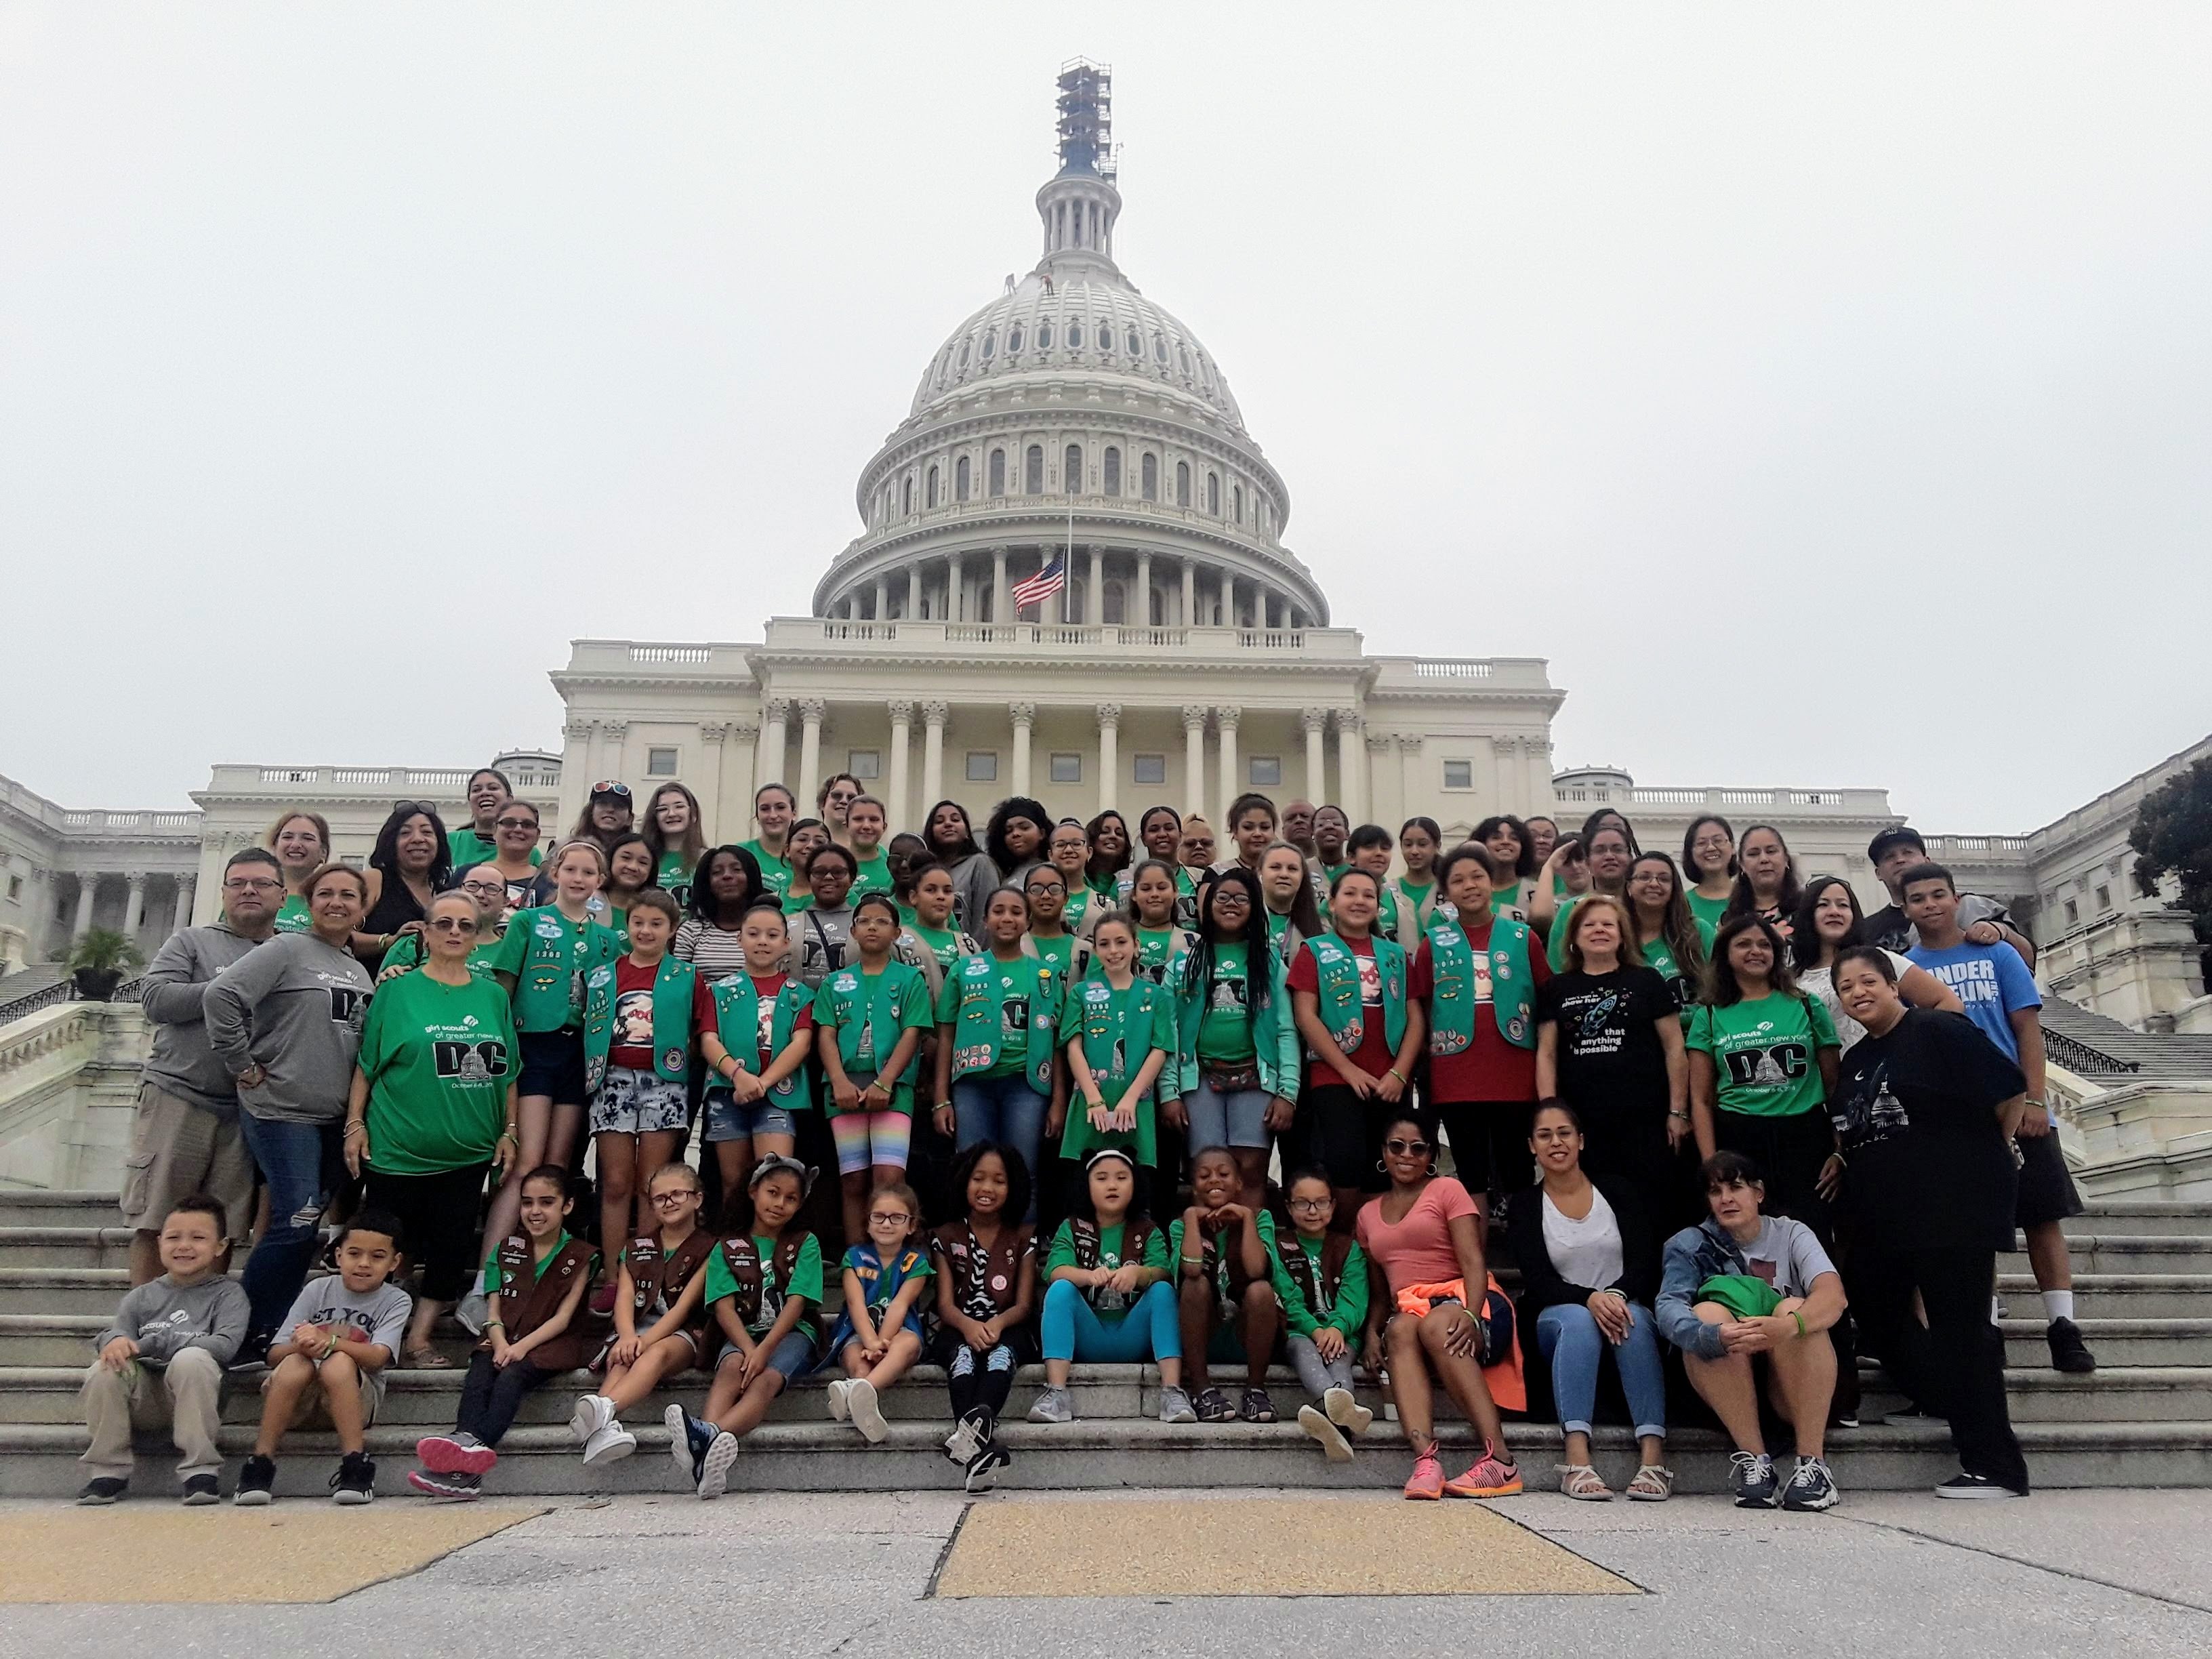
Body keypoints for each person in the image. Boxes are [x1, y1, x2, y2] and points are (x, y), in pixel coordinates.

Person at [1830, 947, 2034, 1496]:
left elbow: (2009, 1090)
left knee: (1962, 1331)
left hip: (1954, 1209)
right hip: (1888, 1217)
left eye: (1868, 980)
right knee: (1871, 1306)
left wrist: (1987, 1150)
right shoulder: (1855, 1061)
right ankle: (1943, 1397)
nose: (1858, 993)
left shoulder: (1938, 1030)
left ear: (1894, 984)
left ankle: (1995, 1466)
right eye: (1847, 987)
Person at [1902, 863, 2094, 1372]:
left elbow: (2028, 1031)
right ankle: (1985, 1330)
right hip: (1955, 1117)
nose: (1930, 905)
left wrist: (2035, 1098)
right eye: (1918, 898)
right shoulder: (1905, 969)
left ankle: (2063, 1325)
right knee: (1973, 1230)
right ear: (1905, 908)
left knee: (2041, 1218)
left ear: (1956, 898)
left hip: (2017, 1103)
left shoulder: (1998, 953)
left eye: (1938, 895)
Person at [203, 861, 374, 1359]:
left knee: (306, 1224)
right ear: (308, 901)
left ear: (363, 909)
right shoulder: (286, 948)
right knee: (295, 1221)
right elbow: (222, 996)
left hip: (332, 1117)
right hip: (282, 1108)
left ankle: (272, 1327)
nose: (337, 902)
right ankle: (244, 1332)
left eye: (349, 895)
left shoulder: (357, 969)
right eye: (326, 893)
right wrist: (242, 1064)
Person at [347, 890, 519, 1366]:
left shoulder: (492, 997)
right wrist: (354, 1124)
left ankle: (420, 1338)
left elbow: (509, 1073)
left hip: (467, 1153)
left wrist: (509, 1131)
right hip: (398, 1148)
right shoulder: (395, 991)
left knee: (448, 1251)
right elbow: (367, 1065)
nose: (455, 933)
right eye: (444, 924)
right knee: (387, 1248)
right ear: (425, 933)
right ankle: (379, 1332)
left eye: (465, 925)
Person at [1656, 1153, 1847, 1511]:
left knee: (1793, 1308)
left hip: (1793, 1376)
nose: (1726, 1198)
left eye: (1736, 1187)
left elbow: (1834, 1297)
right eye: (1716, 1191)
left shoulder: (1791, 1232)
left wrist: (1787, 1327)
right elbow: (1668, 1309)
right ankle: (1756, 1464)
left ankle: (1814, 1466)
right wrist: (1713, 1336)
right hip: (1726, 1378)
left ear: (1759, 1193)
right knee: (1707, 1314)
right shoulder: (1690, 1244)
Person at [125, 847, 281, 1286]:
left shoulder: (291, 952)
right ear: (225, 892)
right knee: (159, 1218)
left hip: (247, 1107)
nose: (249, 890)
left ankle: (203, 1327)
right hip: (179, 1093)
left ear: (283, 896)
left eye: (262, 883)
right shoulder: (191, 941)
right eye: (239, 883)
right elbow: (156, 1000)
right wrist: (226, 990)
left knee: (224, 1227)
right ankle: (143, 1324)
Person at [1356, 1108, 1524, 1500]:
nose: (1407, 1155)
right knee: (1399, 1326)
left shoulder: (1447, 1190)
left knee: (1436, 1324)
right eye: (1397, 1146)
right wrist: (1369, 1333)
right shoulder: (1366, 1215)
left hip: (1473, 1303)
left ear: (1431, 1156)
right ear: (1384, 1151)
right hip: (1411, 1312)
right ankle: (1426, 1462)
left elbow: (1474, 1263)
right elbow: (1382, 1292)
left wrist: (1469, 1312)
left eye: (1418, 1148)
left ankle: (1501, 1460)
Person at [1508, 1103, 1671, 1501]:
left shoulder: (1616, 1190)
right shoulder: (1525, 1205)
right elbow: (1539, 1281)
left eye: (1564, 1133)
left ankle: (1654, 1459)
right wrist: (1589, 1299)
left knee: (1630, 1316)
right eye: (1544, 1135)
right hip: (1556, 1320)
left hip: (1621, 1308)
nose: (1556, 1142)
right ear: (1532, 1146)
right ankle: (1577, 1459)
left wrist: (1612, 1295)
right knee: (1580, 1321)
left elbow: (1645, 1263)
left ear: (1580, 1141)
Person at [408, 1166, 595, 1500]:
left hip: (550, 1343)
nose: (535, 1211)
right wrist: (499, 1342)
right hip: (500, 1339)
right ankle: (464, 1451)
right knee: (479, 1373)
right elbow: (493, 1312)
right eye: (527, 1203)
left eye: (546, 1202)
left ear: (567, 1207)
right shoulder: (504, 1249)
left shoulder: (581, 1255)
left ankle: (467, 1455)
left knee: (510, 1377)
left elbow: (564, 1318)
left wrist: (519, 1348)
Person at [667, 1155, 824, 1500]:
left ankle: (707, 1436)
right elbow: (723, 1305)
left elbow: (798, 1301)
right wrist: (749, 1348)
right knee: (730, 1369)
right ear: (753, 1191)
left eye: (791, 1198)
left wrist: (765, 1351)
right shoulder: (727, 1245)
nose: (780, 1203)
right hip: (743, 1333)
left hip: (793, 1335)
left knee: (765, 1380)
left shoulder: (805, 1242)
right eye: (773, 1192)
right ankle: (707, 1464)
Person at [75, 1195, 250, 1505]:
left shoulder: (228, 1294)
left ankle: (200, 1471)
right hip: (145, 1400)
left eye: (198, 1238)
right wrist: (113, 1342)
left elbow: (224, 1346)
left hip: (197, 1394)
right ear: (159, 1243)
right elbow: (118, 1336)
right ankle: (107, 1472)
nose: (184, 1246)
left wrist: (152, 1344)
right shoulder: (141, 1297)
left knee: (192, 1358)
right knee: (107, 1367)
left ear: (220, 1247)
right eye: (173, 1238)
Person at [233, 1211, 411, 1505]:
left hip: (355, 1400)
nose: (364, 1264)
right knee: (295, 1362)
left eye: (377, 1257)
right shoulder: (317, 1289)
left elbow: (379, 1356)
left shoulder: (396, 1300)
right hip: (298, 1400)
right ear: (338, 1256)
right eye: (354, 1254)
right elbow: (275, 1353)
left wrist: (328, 1341)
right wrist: (303, 1346)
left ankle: (356, 1464)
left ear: (394, 1263)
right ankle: (260, 1463)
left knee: (338, 1361)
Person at [1536, 893, 1689, 1231]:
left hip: (1645, 1120)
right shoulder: (1556, 988)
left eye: (1609, 924)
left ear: (1623, 935)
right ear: (1574, 937)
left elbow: (1675, 1048)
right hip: (1585, 1121)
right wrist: (1549, 1113)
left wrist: (1678, 1111)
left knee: (1653, 1207)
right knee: (1601, 1209)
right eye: (1589, 925)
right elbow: (1546, 1053)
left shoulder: (1647, 981)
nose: (1599, 930)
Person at [1417, 844, 1549, 1218]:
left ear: (1492, 883)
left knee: (1518, 1168)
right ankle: (1476, 1265)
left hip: (1514, 1070)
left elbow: (1544, 1002)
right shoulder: (1433, 943)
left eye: (1477, 876)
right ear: (1446, 891)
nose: (1469, 886)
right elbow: (1424, 1008)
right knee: (1470, 1174)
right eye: (1457, 880)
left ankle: (1528, 1255)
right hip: (1456, 1074)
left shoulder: (1524, 938)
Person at [1289, 867, 1425, 1226]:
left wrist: (1400, 1073)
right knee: (1344, 1163)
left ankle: (1379, 1245)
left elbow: (1415, 1018)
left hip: (1391, 1081)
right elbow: (1306, 1016)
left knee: (1388, 1165)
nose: (1359, 901)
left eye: (1369, 894)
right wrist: (1347, 1069)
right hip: (1335, 1078)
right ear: (1331, 903)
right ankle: (1346, 1246)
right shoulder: (1313, 951)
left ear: (1379, 906)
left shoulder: (1396, 955)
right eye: (1350, 893)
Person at [487, 839, 622, 1195]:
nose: (579, 878)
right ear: (555, 873)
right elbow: (503, 989)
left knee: (557, 1165)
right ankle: (499, 1248)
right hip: (533, 1047)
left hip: (579, 1053)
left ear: (601, 880)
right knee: (526, 1162)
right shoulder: (527, 922)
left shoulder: (608, 940)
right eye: (571, 869)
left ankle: (545, 1248)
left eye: (588, 872)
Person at [1687, 914, 1841, 1226]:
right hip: (1740, 1137)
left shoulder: (1807, 1005)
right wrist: (1711, 1164)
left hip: (1805, 1138)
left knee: (1813, 1233)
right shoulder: (1708, 1013)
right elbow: (1701, 1100)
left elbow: (1834, 1087)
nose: (1755, 951)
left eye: (1764, 945)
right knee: (1748, 1237)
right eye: (1743, 944)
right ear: (1725, 955)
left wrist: (1839, 1150)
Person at [1164, 865, 1298, 1210]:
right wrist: (1169, 1093)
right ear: (1208, 906)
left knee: (1250, 1169)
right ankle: (1210, 1256)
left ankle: (1244, 1256)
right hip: (1200, 1078)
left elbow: (1286, 1029)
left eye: (1241, 899)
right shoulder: (1183, 964)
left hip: (1256, 1076)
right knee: (1209, 1170)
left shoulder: (1269, 964)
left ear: (1255, 906)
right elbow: (1169, 1033)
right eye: (1222, 898)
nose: (1231, 905)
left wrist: (1288, 1093)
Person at [581, 890, 697, 1286]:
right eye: (638, 923)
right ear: (626, 926)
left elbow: (700, 1032)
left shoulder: (686, 976)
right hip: (611, 1079)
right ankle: (614, 1277)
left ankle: (647, 1277)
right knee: (615, 1182)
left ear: (672, 930)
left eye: (656, 924)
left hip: (664, 1082)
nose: (645, 931)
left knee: (653, 1183)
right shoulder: (602, 974)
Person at [1028, 1147, 1190, 1425]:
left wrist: (1139, 1274)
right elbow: (1055, 1270)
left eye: (1121, 1178)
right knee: (1060, 1291)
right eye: (1101, 1178)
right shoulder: (1072, 1227)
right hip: (1088, 1335)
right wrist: (1088, 1276)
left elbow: (1164, 1271)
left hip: (1132, 1334)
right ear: (1086, 1185)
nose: (1112, 1185)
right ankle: (1056, 1393)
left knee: (1163, 1291)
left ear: (1135, 1184)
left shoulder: (1147, 1229)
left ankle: (1172, 1392)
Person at [569, 1161, 716, 1465]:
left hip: (683, 1333)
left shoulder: (711, 1247)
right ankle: (603, 1432)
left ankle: (603, 1410)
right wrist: (625, 1337)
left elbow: (685, 1307)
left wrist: (643, 1341)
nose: (669, 1202)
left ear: (697, 1199)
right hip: (635, 1329)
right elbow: (624, 1297)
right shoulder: (636, 1246)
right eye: (660, 1198)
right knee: (622, 1358)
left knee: (654, 1353)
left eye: (678, 1194)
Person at [813, 892, 935, 1241]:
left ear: (897, 933)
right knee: (852, 1179)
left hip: (893, 1090)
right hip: (843, 1089)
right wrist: (838, 1080)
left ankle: (892, 1259)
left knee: (889, 1179)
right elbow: (826, 1035)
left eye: (882, 921)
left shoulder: (910, 980)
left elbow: (912, 1033)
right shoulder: (835, 982)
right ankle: (857, 1258)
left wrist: (885, 1082)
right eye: (865, 921)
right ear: (852, 930)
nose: (872, 927)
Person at [935, 887, 1062, 1198]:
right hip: (973, 1084)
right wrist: (941, 1098)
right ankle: (970, 1243)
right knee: (970, 1167)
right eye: (999, 911)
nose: (1007, 918)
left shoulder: (1047, 974)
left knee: (1023, 1169)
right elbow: (946, 1036)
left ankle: (1024, 1244)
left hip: (1027, 1085)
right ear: (985, 919)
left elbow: (1058, 1041)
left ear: (1028, 920)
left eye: (1017, 912)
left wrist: (1058, 1101)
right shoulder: (963, 970)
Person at [929, 1142, 1038, 1492]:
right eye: (979, 1179)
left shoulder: (1024, 1237)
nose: (987, 1188)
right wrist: (968, 1326)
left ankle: (972, 1448)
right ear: (964, 1182)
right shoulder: (946, 1236)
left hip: (1008, 1326)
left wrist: (997, 1324)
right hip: (957, 1326)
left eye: (999, 1181)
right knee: (962, 1359)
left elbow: (1024, 1304)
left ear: (1014, 1187)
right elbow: (944, 1305)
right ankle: (982, 1452)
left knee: (1001, 1356)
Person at [698, 901, 815, 1218]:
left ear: (786, 943)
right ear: (740, 939)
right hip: (727, 1092)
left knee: (776, 1178)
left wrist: (762, 1083)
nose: (762, 941)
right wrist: (738, 1075)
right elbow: (708, 1039)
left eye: (772, 934)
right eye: (753, 933)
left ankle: (774, 1255)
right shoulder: (719, 991)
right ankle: (736, 1251)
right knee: (734, 1181)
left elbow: (801, 1044)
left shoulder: (800, 994)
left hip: (779, 1095)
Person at [1170, 1145, 1284, 1424]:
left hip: (1248, 1335)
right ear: (1193, 1185)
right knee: (1194, 1285)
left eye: (1224, 1174)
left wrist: (1246, 1219)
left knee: (1260, 1291)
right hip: (1204, 1335)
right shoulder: (1179, 1225)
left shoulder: (1260, 1218)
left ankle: (1255, 1390)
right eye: (1204, 1175)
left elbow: (1257, 1270)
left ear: (1239, 1183)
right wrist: (1190, 1220)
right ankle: (1201, 1389)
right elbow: (1192, 1267)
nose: (1214, 1181)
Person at [1059, 913, 1174, 1187]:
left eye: (1121, 942)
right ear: (1095, 949)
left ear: (1136, 946)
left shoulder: (1154, 995)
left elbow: (1160, 1049)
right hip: (1089, 1103)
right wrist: (1093, 1098)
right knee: (1082, 1186)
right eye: (1104, 944)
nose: (1113, 951)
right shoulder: (1080, 993)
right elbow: (1073, 1046)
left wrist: (1131, 1097)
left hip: (1136, 1105)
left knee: (1136, 1184)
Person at [1270, 1170, 1373, 1461]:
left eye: (1321, 1202)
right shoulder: (1280, 1246)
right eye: (1303, 1203)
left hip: (1344, 1334)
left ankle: (1333, 1425)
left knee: (1339, 1360)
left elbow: (1355, 1298)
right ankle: (1346, 1420)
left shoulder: (1347, 1247)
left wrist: (1338, 1328)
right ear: (1289, 1207)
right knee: (1305, 1350)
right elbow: (1287, 1296)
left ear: (1333, 1205)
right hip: (1299, 1332)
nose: (1313, 1211)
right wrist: (1316, 1330)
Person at [1791, 874, 1961, 1050]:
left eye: (1843, 905)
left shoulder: (1879, 959)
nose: (1834, 911)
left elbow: (1947, 1001)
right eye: (1823, 905)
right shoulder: (1793, 978)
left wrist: (1918, 1049)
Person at [822, 1181, 934, 1443]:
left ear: (912, 1225)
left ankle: (856, 1392)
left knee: (907, 1344)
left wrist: (881, 1342)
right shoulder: (854, 1257)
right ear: (868, 1222)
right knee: (857, 1361)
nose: (887, 1224)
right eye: (879, 1216)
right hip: (857, 1331)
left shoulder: (917, 1262)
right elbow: (855, 1303)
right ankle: (862, 1397)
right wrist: (870, 1342)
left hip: (900, 1330)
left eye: (897, 1218)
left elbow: (900, 1304)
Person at [1861, 825, 2036, 968]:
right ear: (1878, 873)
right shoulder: (1866, 931)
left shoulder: (1973, 907)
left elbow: (2027, 960)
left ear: (1927, 860)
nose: (1900, 860)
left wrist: (2001, 931)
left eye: (1908, 853)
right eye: (1889, 857)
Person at [357, 802, 452, 974]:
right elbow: (339, 936)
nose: (417, 839)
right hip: (373, 989)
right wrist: (390, 942)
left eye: (427, 832)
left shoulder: (447, 894)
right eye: (405, 833)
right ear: (392, 842)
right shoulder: (375, 880)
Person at [1532, 821, 1634, 972]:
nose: (1609, 856)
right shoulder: (1569, 908)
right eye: (1600, 851)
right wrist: (1549, 866)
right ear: (1590, 862)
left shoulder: (1641, 903)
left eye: (1617, 849)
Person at [1625, 851, 1711, 1014]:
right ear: (1629, 887)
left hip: (1697, 1034)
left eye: (1664, 879)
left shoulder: (1699, 930)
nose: (1654, 884)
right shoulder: (1617, 936)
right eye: (1644, 877)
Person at [674, 843, 768, 985]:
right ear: (707, 883)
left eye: (736, 869)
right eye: (717, 872)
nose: (727, 876)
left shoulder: (767, 929)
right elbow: (680, 985)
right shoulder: (691, 931)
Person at [962, 796, 1050, 929]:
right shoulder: (1001, 876)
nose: (1016, 834)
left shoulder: (1053, 872)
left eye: (1024, 828)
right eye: (1009, 831)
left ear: (1042, 833)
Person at [894, 859, 977, 994]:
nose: (941, 896)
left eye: (948, 891)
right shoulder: (898, 942)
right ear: (913, 897)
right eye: (931, 890)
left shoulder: (969, 945)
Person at [1719, 823, 1805, 938]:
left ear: (1786, 859)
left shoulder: (1807, 909)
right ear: (1742, 865)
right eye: (1753, 854)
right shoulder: (1730, 919)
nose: (1764, 859)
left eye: (1771, 851)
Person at [792, 842, 859, 985]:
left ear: (852, 879)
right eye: (819, 872)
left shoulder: (863, 924)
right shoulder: (789, 924)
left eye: (838, 872)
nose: (829, 877)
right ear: (809, 878)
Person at [922, 799, 993, 931]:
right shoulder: (926, 870)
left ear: (967, 832)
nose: (948, 824)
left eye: (955, 820)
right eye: (939, 821)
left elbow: (984, 918)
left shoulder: (980, 864)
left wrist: (977, 951)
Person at [1125, 859, 1197, 984]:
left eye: (1162, 887)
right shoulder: (1120, 937)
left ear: (1175, 891)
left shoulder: (1193, 942)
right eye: (1146, 889)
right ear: (1134, 894)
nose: (1154, 894)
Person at [642, 782, 708, 909]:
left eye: (679, 807)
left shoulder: (707, 859)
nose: (671, 814)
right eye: (663, 809)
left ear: (693, 814)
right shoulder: (644, 859)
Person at [264, 810, 331, 934]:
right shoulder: (254, 894)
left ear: (323, 852)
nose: (295, 844)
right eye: (287, 837)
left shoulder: (331, 901)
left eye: (307, 838)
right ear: (274, 847)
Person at [449, 769, 529, 871]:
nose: (485, 793)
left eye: (493, 788)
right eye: (476, 790)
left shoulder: (528, 851)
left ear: (510, 800)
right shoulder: (449, 843)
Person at [1258, 839, 1324, 962]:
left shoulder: (1320, 926)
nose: (1284, 874)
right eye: (1275, 867)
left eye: (1292, 869)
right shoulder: (1245, 921)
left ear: (1302, 876)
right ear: (1260, 872)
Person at [483, 800, 549, 916]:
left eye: (527, 825)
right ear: (494, 830)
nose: (518, 829)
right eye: (509, 823)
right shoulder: (465, 875)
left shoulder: (550, 885)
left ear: (538, 835)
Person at [738, 783, 798, 904]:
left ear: (794, 814)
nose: (773, 815)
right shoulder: (740, 854)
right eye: (765, 809)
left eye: (780, 807)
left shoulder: (805, 855)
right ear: (757, 816)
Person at [1389, 817, 1443, 948]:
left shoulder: (1448, 892)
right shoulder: (1388, 891)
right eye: (1408, 845)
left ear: (1437, 846)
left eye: (1422, 844)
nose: (1414, 851)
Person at [1472, 815, 1539, 918]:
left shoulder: (1538, 891)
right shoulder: (1469, 890)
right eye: (1496, 838)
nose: (1505, 842)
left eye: (1514, 838)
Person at [1681, 815, 1736, 936]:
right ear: (1691, 853)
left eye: (1718, 841)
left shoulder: (1753, 897)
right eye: (1701, 843)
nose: (1711, 848)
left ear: (1733, 847)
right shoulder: (1681, 904)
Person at [1021, 860, 1077, 979]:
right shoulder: (1014, 946)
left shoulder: (1083, 950)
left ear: (1066, 899)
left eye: (1055, 889)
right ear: (1025, 897)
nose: (1046, 895)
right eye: (1036, 889)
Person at [1345, 823, 1402, 938]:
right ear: (1351, 857)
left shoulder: (1404, 903)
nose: (1379, 853)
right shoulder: (1334, 899)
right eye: (1369, 847)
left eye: (1385, 849)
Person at [1043, 820, 1099, 937]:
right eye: (1061, 845)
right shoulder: (1037, 901)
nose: (1068, 850)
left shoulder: (1106, 905)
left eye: (1077, 844)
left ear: (1089, 852)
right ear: (1050, 855)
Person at [601, 832, 655, 941]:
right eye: (626, 858)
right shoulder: (587, 902)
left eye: (643, 863)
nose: (633, 867)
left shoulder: (654, 912)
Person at [571, 780, 637, 861]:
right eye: (602, 804)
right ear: (591, 811)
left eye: (619, 806)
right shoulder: (566, 849)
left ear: (630, 819)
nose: (610, 810)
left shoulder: (636, 857)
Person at [846, 795, 895, 897]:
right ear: (846, 825)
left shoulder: (894, 866)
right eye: (858, 819)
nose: (866, 826)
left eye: (874, 819)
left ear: (884, 827)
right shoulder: (834, 864)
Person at [1219, 793, 1278, 878]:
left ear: (1274, 831)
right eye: (1248, 827)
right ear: (1235, 832)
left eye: (1265, 827)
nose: (1257, 834)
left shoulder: (1283, 874)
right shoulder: (1218, 872)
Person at [1084, 808, 1133, 905]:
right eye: (1105, 832)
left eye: (1119, 834)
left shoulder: (1131, 880)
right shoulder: (1080, 878)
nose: (1113, 836)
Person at [1174, 817, 1217, 923]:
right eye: (1190, 844)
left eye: (1206, 843)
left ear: (1215, 849)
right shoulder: (1166, 879)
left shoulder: (1227, 878)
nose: (1199, 847)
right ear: (1178, 849)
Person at [1311, 805, 1351, 890]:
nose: (1329, 827)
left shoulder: (1358, 874)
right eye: (1321, 825)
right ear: (1312, 834)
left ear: (1347, 834)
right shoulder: (1302, 871)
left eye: (1337, 824)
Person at [817, 771, 863, 844]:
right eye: (837, 795)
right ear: (822, 803)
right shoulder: (808, 846)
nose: (844, 801)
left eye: (851, 798)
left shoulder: (875, 852)